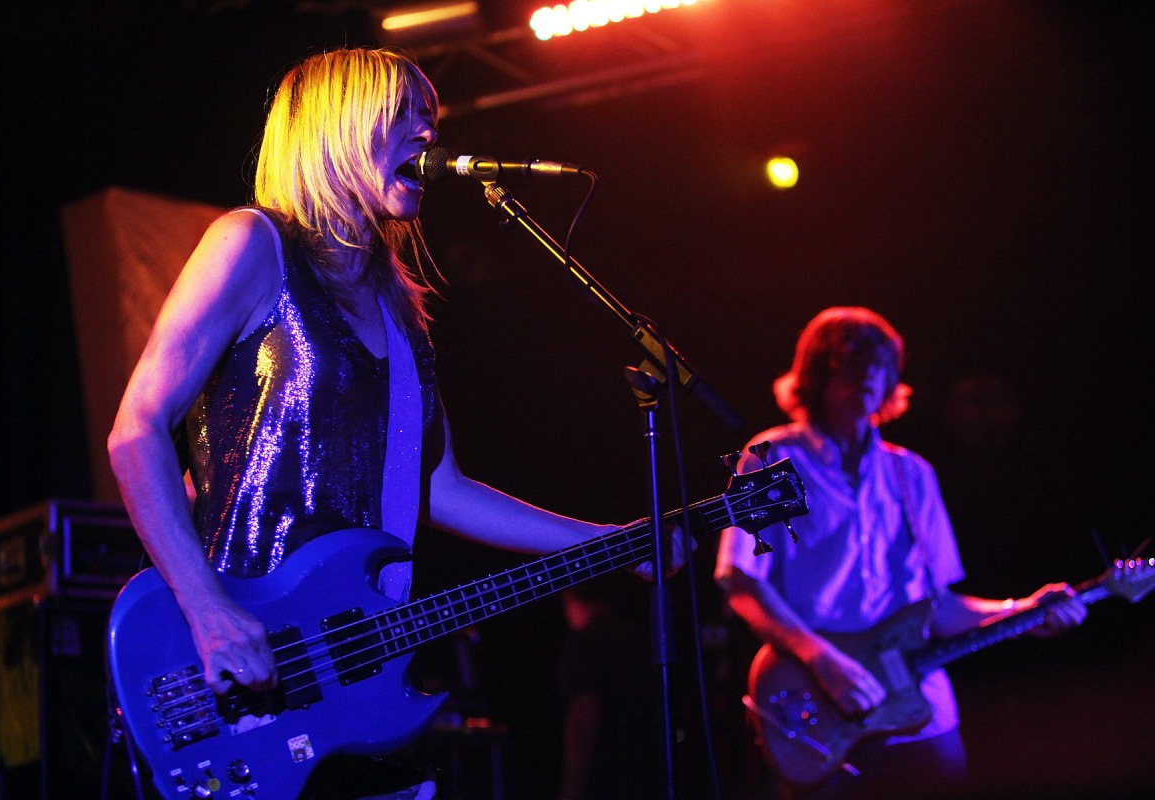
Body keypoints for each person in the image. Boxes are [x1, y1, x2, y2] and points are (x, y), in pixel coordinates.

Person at [107, 47, 682, 800]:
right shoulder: (253, 244)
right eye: (403, 116)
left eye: (431, 120)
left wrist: (610, 543)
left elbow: (441, 487)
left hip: (358, 684)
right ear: (336, 126)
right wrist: (208, 610)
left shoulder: (404, 314)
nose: (426, 137)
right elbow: (137, 427)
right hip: (239, 673)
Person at [713, 306, 1087, 800]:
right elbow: (741, 582)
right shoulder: (771, 457)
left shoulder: (913, 475)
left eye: (880, 363)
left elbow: (941, 607)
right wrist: (823, 660)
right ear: (817, 373)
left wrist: (1021, 613)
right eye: (852, 360)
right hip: (818, 707)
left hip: (922, 715)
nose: (869, 373)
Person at [557, 575, 663, 800]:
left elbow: (584, 719)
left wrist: (571, 790)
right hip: (647, 773)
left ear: (569, 595)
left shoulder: (586, 641)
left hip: (604, 778)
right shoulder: (637, 637)